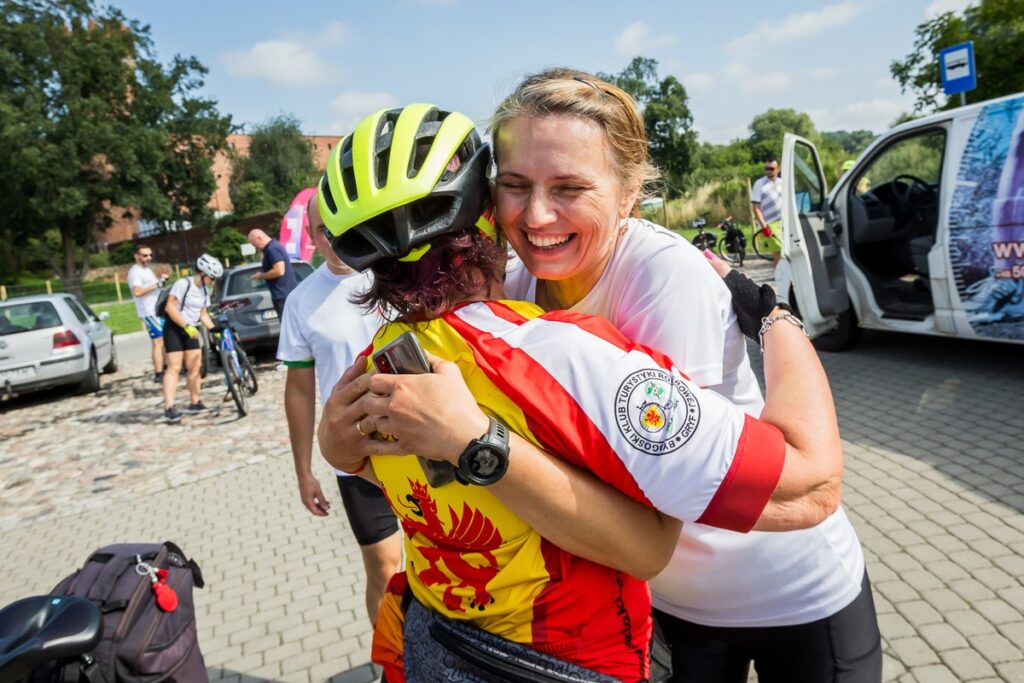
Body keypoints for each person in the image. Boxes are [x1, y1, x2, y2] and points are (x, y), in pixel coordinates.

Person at [333, 74, 881, 683]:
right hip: (669, 606)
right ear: (487, 198)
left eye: (570, 187)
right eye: (515, 185)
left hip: (785, 589)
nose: (537, 215)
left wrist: (776, 317)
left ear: (628, 195)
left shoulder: (664, 277)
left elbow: (730, 491)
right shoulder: (512, 287)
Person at [276, 193, 402, 624]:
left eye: (336, 223)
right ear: (311, 239)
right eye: (320, 231)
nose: (332, 236)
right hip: (358, 458)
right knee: (385, 568)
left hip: (418, 442)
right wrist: (304, 470)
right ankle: (392, 662)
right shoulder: (301, 302)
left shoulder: (396, 272)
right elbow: (298, 391)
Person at [161, 253, 223, 424]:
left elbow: (202, 313)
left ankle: (195, 402)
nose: (213, 281)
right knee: (174, 367)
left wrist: (213, 328)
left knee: (195, 366)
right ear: (202, 273)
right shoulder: (183, 284)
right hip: (174, 328)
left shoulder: (203, 290)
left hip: (191, 329)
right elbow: (170, 307)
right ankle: (169, 407)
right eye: (211, 277)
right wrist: (185, 325)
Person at [752, 157, 792, 304]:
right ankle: (780, 276)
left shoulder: (782, 183)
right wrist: (763, 226)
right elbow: (756, 207)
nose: (768, 171)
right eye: (766, 168)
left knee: (785, 249)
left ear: (778, 169)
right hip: (769, 222)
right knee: (778, 249)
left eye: (771, 168)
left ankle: (784, 274)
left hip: (784, 221)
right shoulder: (759, 184)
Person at [126, 244, 168, 383]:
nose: (148, 258)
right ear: (136, 256)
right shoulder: (135, 272)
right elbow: (137, 292)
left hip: (157, 310)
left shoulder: (147, 270)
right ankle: (158, 373)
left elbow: (153, 287)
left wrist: (160, 281)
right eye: (145, 255)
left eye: (150, 255)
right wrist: (156, 285)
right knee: (158, 342)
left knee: (163, 341)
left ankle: (167, 366)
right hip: (148, 312)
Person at [247, 229, 299, 318]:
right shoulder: (272, 248)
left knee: (287, 324)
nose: (256, 247)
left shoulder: (272, 249)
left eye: (254, 244)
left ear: (259, 238)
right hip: (284, 294)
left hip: (283, 295)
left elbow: (279, 271)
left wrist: (261, 276)